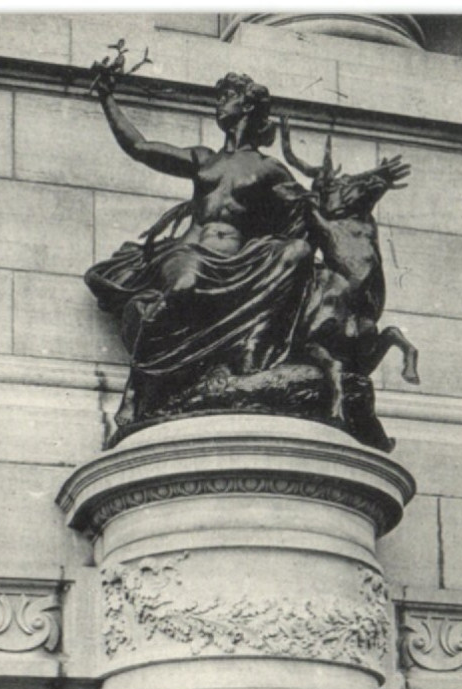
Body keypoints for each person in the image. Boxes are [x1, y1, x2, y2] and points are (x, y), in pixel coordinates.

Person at [85, 70, 314, 427]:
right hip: (188, 253)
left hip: (237, 262)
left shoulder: (271, 170)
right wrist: (107, 99)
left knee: (297, 251)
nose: (219, 103)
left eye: (228, 96)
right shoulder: (204, 159)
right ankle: (136, 386)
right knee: (183, 286)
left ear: (249, 106)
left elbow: (305, 216)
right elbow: (141, 148)